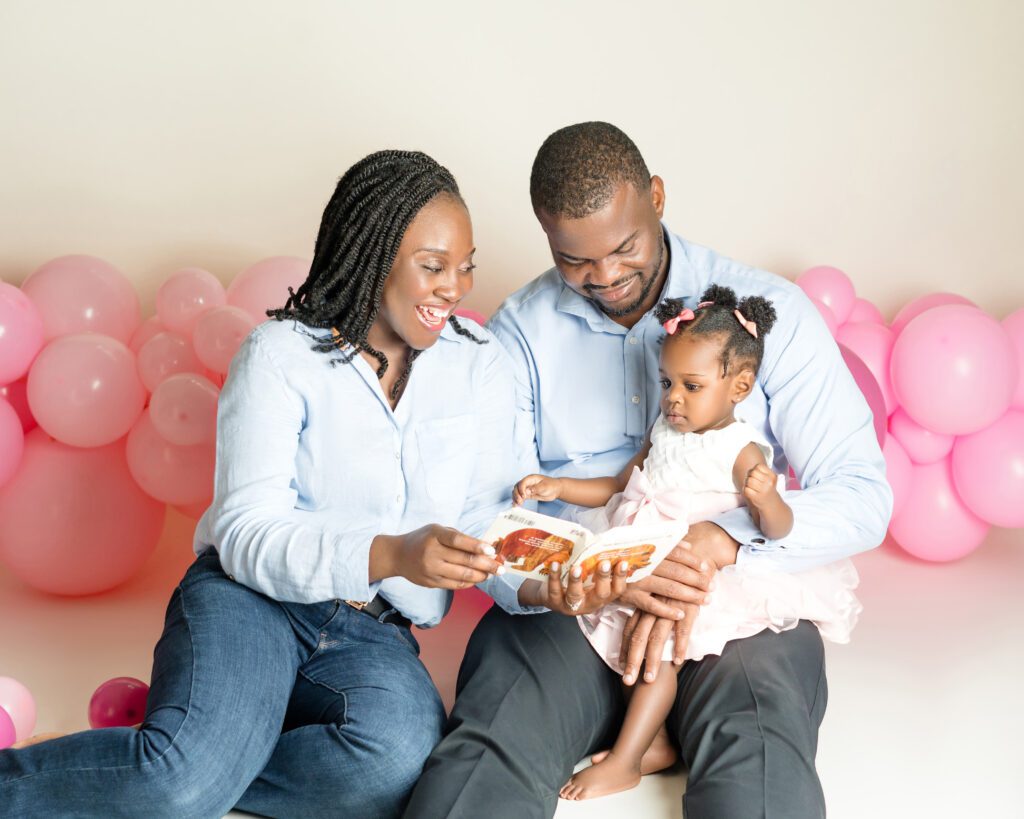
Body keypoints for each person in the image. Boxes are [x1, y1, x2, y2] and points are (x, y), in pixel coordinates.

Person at [0, 150, 542, 819]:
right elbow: (245, 530)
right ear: (371, 254)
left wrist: (545, 581)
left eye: (466, 265)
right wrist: (393, 552)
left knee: (394, 768)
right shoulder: (280, 355)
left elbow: (493, 516)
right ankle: (166, 769)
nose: (455, 287)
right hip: (250, 600)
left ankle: (164, 759)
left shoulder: (479, 365)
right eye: (433, 266)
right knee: (180, 784)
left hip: (376, 632)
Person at [404, 123, 892, 818]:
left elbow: (863, 493)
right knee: (486, 755)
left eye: (624, 247)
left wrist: (725, 536)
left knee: (759, 761)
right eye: (575, 259)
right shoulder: (515, 336)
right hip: (573, 610)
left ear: (657, 197)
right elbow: (487, 510)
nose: (604, 276)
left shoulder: (765, 314)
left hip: (736, 603)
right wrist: (561, 581)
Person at [513, 286, 861, 800]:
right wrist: (558, 487)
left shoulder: (740, 450)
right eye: (666, 381)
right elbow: (619, 483)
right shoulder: (665, 429)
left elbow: (777, 530)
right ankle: (654, 743)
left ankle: (627, 759)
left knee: (660, 654)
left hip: (694, 565)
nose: (673, 397)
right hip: (643, 548)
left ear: (739, 386)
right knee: (626, 635)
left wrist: (769, 501)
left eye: (692, 386)